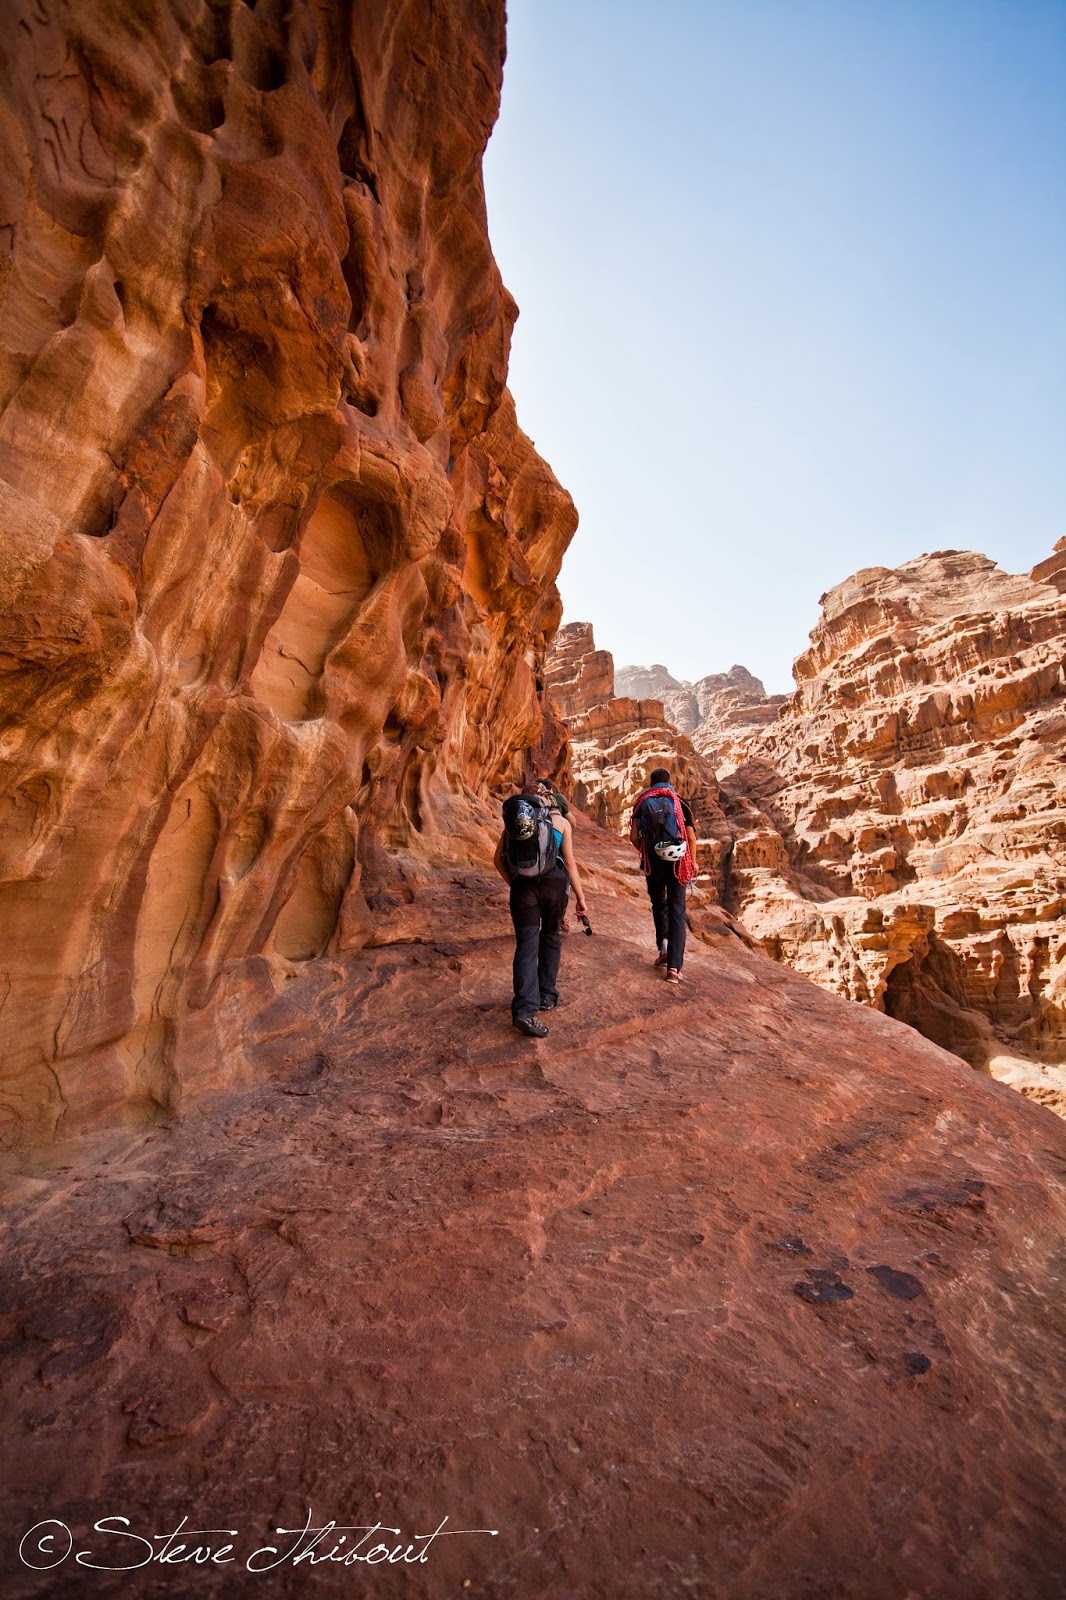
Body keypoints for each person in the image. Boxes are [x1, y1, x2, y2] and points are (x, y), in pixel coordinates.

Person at [494, 782, 587, 1037]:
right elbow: (569, 862)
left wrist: (516, 885)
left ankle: (525, 1010)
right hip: (555, 887)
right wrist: (580, 898)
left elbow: (497, 859)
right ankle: (546, 996)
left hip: (523, 890)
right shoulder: (560, 824)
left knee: (526, 944)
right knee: (550, 937)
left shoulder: (516, 824)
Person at [629, 766, 697, 985]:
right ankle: (674, 968)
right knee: (677, 910)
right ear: (669, 781)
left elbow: (633, 836)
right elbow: (691, 837)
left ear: (651, 782)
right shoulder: (679, 801)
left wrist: (647, 852)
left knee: (659, 904)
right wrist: (693, 861)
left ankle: (664, 949)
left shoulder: (642, 802)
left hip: (654, 862)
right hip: (677, 862)